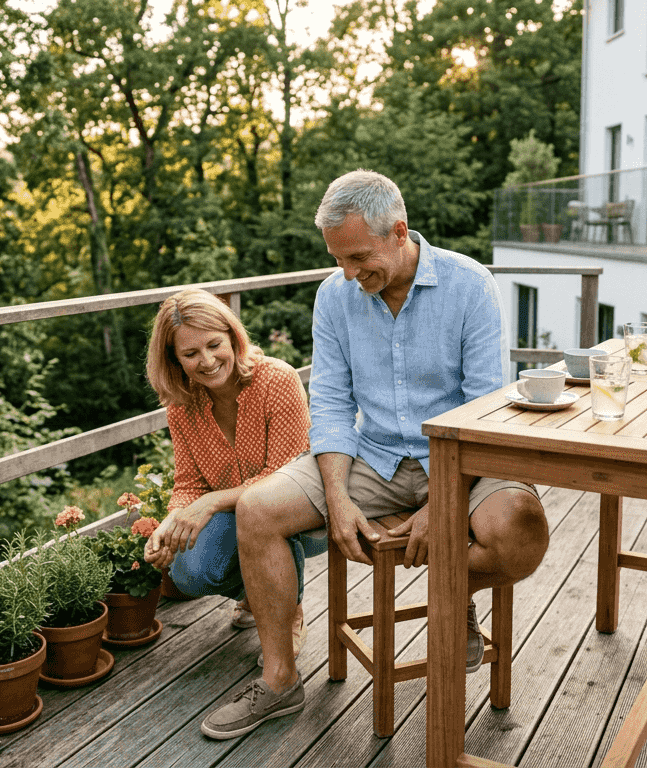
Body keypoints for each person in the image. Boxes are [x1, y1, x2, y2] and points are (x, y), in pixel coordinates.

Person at [199, 170, 550, 740]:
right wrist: (337, 499)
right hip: (373, 455)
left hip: (462, 457)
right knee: (257, 510)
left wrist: (443, 505)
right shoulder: (334, 296)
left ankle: (454, 592)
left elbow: (483, 409)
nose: (348, 273)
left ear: (399, 232)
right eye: (338, 259)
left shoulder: (470, 285)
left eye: (359, 257)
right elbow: (331, 404)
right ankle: (280, 681)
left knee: (522, 530)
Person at [141, 288, 322, 657]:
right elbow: (189, 482)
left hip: (302, 512)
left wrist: (211, 502)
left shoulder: (276, 379)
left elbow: (286, 475)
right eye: (190, 353)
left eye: (214, 345)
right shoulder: (182, 406)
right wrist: (170, 523)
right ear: (174, 358)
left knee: (267, 512)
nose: (207, 361)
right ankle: (259, 593)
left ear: (233, 337)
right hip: (236, 516)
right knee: (187, 572)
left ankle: (289, 613)